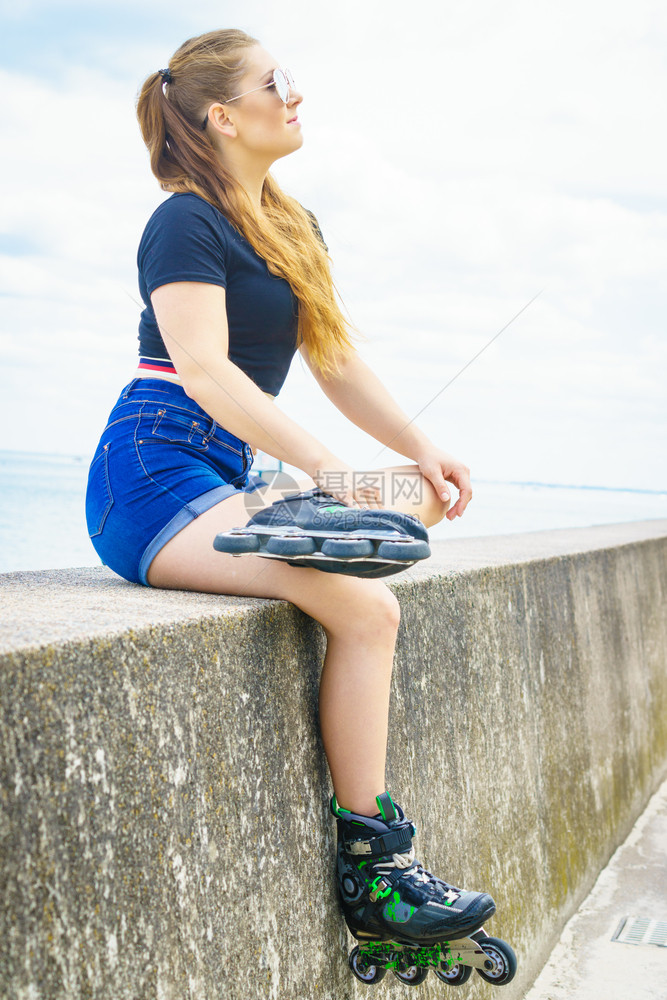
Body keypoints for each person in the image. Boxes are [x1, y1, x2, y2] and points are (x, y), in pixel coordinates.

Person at [85, 28, 495, 964]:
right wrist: (323, 468)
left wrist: (421, 448)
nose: (296, 95)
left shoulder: (292, 222)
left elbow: (335, 360)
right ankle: (377, 868)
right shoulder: (183, 220)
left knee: (415, 502)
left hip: (236, 473)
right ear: (225, 115)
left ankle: (310, 517)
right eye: (279, 82)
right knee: (367, 607)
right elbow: (201, 368)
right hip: (154, 472)